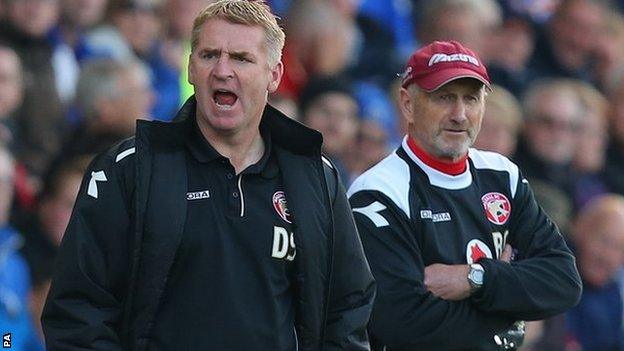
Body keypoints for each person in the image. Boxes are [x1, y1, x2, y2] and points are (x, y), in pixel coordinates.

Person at [41, 1, 375, 350]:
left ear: (274, 75)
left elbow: (348, 307)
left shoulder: (316, 179)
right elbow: (78, 310)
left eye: (241, 58)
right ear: (189, 67)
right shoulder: (128, 169)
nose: (222, 70)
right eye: (209, 55)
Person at [347, 40, 582, 350]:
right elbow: (401, 321)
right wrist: (507, 323)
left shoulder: (502, 175)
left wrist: (475, 277)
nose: (459, 114)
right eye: (444, 98)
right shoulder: (378, 192)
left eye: (471, 99)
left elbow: (563, 281)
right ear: (407, 104)